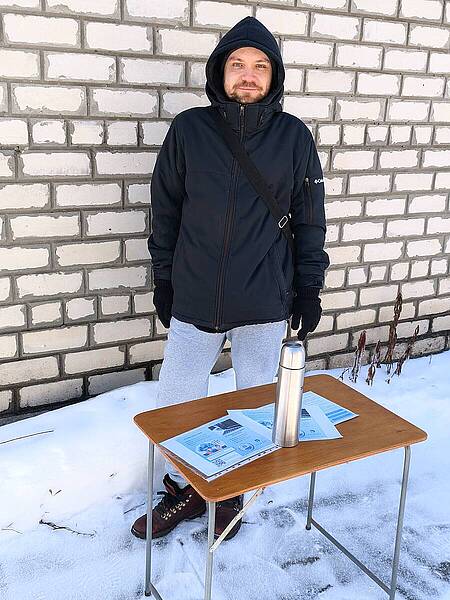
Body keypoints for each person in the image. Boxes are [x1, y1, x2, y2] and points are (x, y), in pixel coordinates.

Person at [131, 16, 330, 542]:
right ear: (220, 71)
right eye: (238, 64)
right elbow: (165, 212)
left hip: (265, 297)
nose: (248, 74)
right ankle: (186, 488)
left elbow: (310, 220)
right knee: (179, 399)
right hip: (196, 293)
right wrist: (164, 278)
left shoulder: (293, 137)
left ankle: (233, 490)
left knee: (255, 400)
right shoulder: (189, 130)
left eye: (260, 66)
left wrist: (309, 287)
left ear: (274, 76)